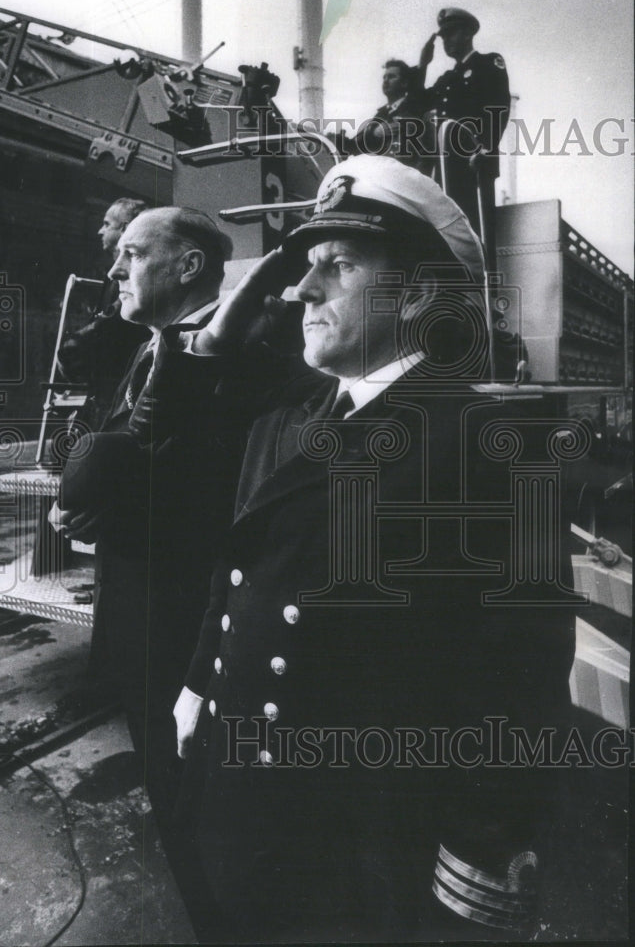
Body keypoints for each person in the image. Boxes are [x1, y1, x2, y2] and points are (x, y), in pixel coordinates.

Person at [167, 155, 577, 942]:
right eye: (307, 266)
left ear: (416, 294)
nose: (303, 290)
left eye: (339, 266)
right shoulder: (282, 421)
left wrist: (477, 858)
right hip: (239, 793)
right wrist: (197, 689)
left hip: (352, 842)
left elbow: (516, 676)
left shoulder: (486, 444)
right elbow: (241, 572)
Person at [48, 206, 241, 876]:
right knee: (165, 783)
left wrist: (115, 504)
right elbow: (136, 455)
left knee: (198, 806)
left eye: (132, 253)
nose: (114, 269)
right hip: (139, 612)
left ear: (188, 265)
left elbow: (216, 499)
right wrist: (88, 505)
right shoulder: (149, 345)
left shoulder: (239, 357)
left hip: (189, 626)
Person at [417, 8, 510, 268]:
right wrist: (422, 65)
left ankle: (484, 295)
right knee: (448, 231)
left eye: (452, 33)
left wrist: (485, 149)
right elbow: (417, 104)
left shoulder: (487, 63)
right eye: (443, 36)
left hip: (473, 163)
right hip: (446, 166)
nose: (447, 41)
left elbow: (498, 107)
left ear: (469, 32)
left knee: (476, 230)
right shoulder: (447, 78)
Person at [57, 197, 150, 428]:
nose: (100, 231)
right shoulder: (118, 274)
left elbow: (110, 323)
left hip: (114, 384)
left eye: (107, 224)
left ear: (126, 228)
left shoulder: (128, 276)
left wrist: (71, 349)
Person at [348, 59, 422, 161]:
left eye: (391, 77)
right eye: (384, 77)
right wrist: (375, 134)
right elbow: (355, 147)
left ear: (404, 83)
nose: (386, 81)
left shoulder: (414, 109)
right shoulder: (381, 113)